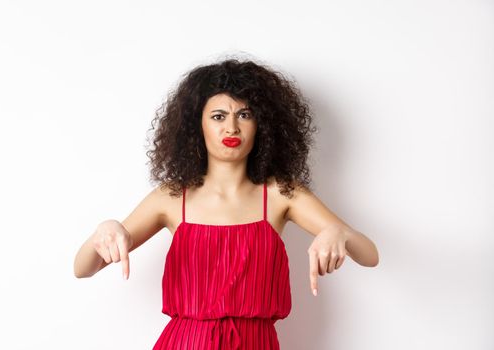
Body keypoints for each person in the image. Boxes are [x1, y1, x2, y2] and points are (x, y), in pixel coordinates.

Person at [73, 56, 379, 349]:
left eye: (244, 115)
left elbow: (370, 256)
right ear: (198, 126)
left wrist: (340, 232)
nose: (231, 128)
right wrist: (105, 229)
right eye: (219, 116)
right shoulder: (170, 199)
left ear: (262, 125)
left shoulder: (281, 194)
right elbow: (83, 268)